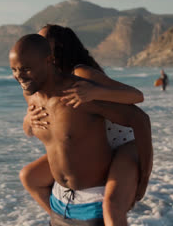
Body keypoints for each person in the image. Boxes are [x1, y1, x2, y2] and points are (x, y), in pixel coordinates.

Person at [11, 34, 152, 226]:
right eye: (14, 69)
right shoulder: (32, 95)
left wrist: (144, 178)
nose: (19, 76)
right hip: (60, 203)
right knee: (28, 176)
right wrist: (27, 120)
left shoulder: (80, 93)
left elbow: (140, 119)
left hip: (94, 203)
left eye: (26, 69)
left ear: (49, 60)